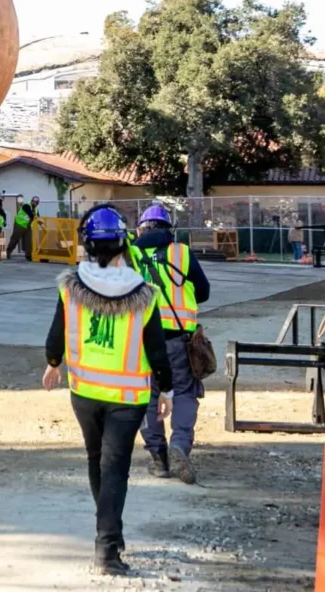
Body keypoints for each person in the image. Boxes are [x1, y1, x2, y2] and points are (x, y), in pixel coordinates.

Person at [45, 205, 174, 576]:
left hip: (84, 393)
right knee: (115, 468)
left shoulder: (70, 286)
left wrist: (54, 364)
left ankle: (110, 536)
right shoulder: (144, 294)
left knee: (95, 460)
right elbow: (157, 349)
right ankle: (107, 549)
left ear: (87, 245)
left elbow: (55, 339)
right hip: (128, 399)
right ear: (123, 246)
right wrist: (164, 389)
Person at [131, 203, 211, 484]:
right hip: (179, 339)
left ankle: (159, 458)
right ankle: (179, 445)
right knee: (185, 392)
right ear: (169, 229)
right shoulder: (182, 253)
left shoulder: (131, 255)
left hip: (139, 340)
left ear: (141, 228)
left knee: (146, 396)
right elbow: (203, 292)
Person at [8, 196, 36, 260]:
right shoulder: (26, 205)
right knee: (15, 239)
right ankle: (8, 251)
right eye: (33, 202)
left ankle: (28, 255)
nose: (34, 203)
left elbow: (37, 217)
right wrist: (34, 214)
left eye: (36, 202)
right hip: (20, 224)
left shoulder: (35, 209)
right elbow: (31, 215)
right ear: (31, 201)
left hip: (28, 226)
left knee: (29, 241)